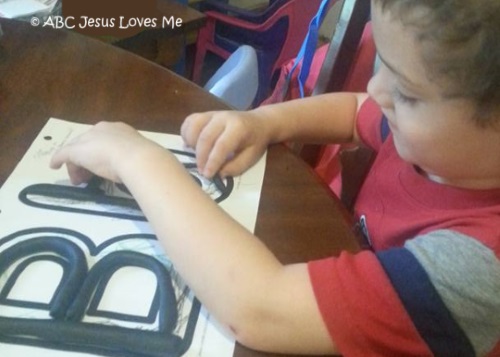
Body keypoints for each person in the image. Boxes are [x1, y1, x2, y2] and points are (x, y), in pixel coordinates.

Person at [50, 0, 500, 355]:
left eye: (406, 92)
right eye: (382, 64)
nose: (377, 90)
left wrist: (138, 160)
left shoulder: (480, 268)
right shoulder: (448, 147)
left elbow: (259, 308)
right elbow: (353, 109)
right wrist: (266, 123)